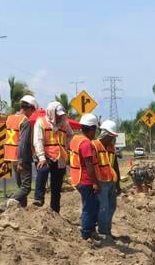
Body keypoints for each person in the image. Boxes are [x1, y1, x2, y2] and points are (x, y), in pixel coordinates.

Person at [33, 101, 72, 212]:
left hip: (60, 157)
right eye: (57, 115)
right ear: (51, 113)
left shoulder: (65, 123)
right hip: (46, 156)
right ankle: (39, 198)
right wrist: (41, 157)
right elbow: (38, 140)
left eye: (60, 115)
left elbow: (70, 135)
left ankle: (55, 210)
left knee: (56, 187)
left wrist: (66, 146)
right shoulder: (41, 122)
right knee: (43, 170)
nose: (59, 118)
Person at [68, 113, 101, 241]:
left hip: (77, 178)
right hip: (86, 180)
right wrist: (95, 183)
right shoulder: (86, 144)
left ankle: (91, 229)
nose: (95, 133)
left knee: (92, 204)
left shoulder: (76, 139)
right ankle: (86, 233)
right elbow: (89, 165)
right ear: (92, 128)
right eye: (95, 130)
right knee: (89, 207)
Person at [4, 95, 38, 209]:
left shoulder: (10, 118)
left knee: (20, 186)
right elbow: (22, 142)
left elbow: (7, 140)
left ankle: (22, 211)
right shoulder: (25, 121)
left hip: (12, 157)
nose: (32, 114)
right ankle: (5, 204)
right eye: (33, 111)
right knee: (26, 187)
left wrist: (5, 160)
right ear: (30, 108)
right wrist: (21, 161)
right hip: (21, 158)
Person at [94, 120, 119, 240]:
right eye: (111, 137)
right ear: (105, 135)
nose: (113, 140)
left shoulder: (111, 147)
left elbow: (115, 165)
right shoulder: (95, 145)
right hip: (101, 181)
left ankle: (107, 230)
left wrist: (118, 184)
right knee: (103, 206)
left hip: (110, 181)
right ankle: (103, 232)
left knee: (112, 206)